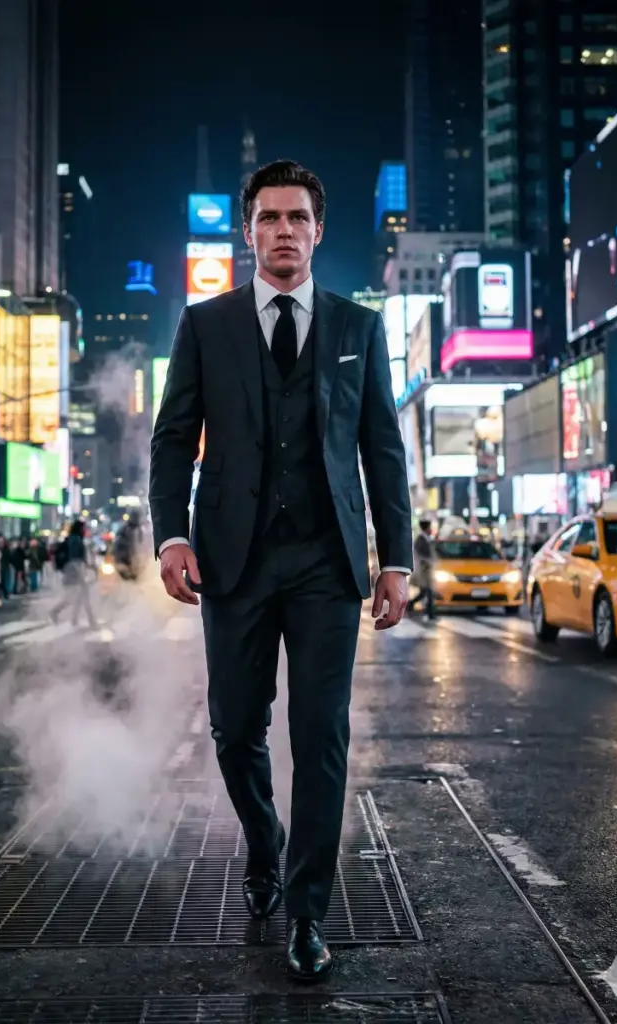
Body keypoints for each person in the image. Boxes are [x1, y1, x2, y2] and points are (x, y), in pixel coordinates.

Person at [150, 160, 413, 982]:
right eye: (268, 218)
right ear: (248, 231)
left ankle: (306, 912)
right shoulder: (205, 324)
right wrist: (170, 537)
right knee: (235, 729)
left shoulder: (356, 329)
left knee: (321, 737)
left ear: (318, 229)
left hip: (326, 563)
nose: (284, 232)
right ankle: (263, 843)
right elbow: (170, 441)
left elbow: (380, 448)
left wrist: (396, 560)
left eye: (298, 217)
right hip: (232, 559)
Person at [50, 519, 98, 628]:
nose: (85, 530)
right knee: (81, 598)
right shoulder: (75, 540)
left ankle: (74, 619)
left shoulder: (74, 539)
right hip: (74, 573)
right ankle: (91, 622)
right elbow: (75, 560)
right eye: (84, 528)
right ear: (80, 529)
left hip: (73, 572)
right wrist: (82, 575)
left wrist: (90, 567)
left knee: (77, 598)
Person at [407, 518, 436, 620]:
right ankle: (430, 613)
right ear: (426, 528)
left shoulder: (426, 538)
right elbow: (420, 555)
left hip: (426, 570)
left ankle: (410, 604)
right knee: (428, 592)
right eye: (430, 527)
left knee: (424, 592)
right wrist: (429, 561)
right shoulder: (421, 539)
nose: (431, 529)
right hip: (423, 570)